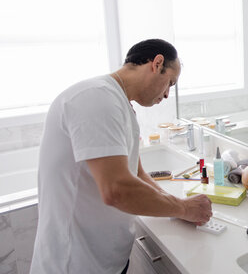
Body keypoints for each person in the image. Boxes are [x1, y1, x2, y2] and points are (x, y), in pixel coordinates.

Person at [30, 39, 212, 274]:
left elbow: (136, 173)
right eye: (170, 83)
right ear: (157, 64)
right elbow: (117, 189)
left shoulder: (120, 105)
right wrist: (183, 209)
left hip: (107, 260)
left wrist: (179, 205)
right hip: (74, 263)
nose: (167, 95)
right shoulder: (96, 97)